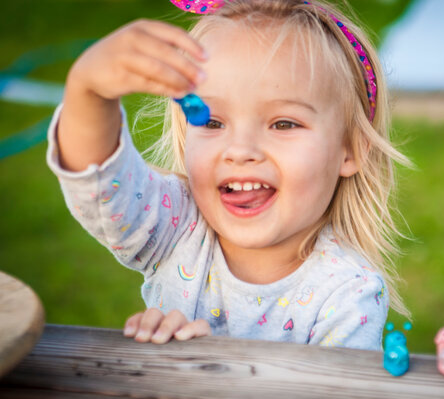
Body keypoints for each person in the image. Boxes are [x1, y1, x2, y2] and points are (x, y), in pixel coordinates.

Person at [47, 0, 412, 350]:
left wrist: (213, 371)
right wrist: (89, 91)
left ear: (351, 150)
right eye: (212, 121)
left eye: (283, 123)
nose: (240, 150)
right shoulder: (177, 226)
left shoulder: (347, 292)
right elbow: (99, 183)